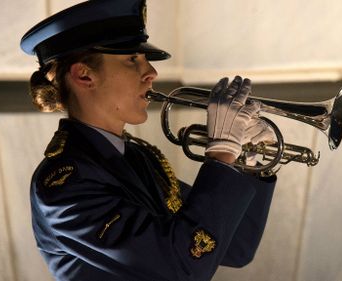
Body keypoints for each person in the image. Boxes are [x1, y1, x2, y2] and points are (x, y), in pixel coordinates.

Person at [20, 0, 277, 280]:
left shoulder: (138, 159)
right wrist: (222, 154)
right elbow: (181, 268)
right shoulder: (63, 186)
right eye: (133, 59)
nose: (152, 73)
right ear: (84, 75)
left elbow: (237, 247)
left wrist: (247, 161)